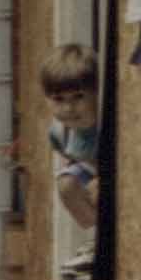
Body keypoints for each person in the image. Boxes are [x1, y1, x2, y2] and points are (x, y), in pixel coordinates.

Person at [41, 43, 103, 231]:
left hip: (116, 173)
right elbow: (71, 158)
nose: (68, 108)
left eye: (78, 96)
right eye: (58, 99)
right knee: (66, 184)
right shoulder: (59, 133)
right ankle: (97, 233)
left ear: (96, 94)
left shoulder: (106, 124)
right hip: (89, 168)